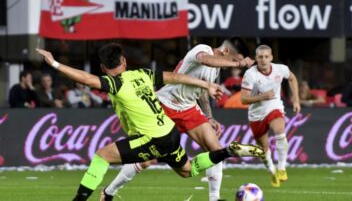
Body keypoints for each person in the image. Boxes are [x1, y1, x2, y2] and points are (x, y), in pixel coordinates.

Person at [36, 43, 263, 201]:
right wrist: (207, 85)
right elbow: (175, 77)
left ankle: (81, 199)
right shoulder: (142, 74)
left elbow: (85, 78)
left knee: (102, 156)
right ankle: (227, 152)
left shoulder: (115, 83)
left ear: (104, 69)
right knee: (187, 170)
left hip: (152, 137)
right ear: (124, 61)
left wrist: (54, 63)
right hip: (169, 130)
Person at [102, 37, 254, 201]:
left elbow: (201, 90)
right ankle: (109, 191)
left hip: (188, 108)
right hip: (165, 106)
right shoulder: (202, 50)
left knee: (216, 149)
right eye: (233, 60)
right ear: (225, 52)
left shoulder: (216, 68)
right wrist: (238, 64)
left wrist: (208, 116)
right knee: (146, 160)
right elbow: (205, 60)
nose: (231, 65)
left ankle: (214, 198)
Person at [241, 45, 300, 188]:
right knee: (264, 149)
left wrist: (296, 99)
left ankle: (281, 168)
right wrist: (263, 96)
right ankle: (272, 171)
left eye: (266, 56)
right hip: (256, 114)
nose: (263, 60)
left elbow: (292, 78)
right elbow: (244, 99)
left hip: (274, 106)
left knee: (280, 131)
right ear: (256, 58)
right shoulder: (250, 74)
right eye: (260, 57)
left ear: (271, 58)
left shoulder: (280, 69)